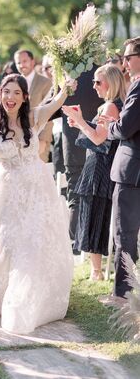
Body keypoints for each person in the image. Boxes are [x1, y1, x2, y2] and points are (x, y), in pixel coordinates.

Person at [0, 74, 75, 334]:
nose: (10, 98)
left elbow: (56, 102)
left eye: (16, 93)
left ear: (24, 97)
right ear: (0, 94)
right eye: (6, 92)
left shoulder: (33, 117)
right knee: (7, 243)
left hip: (37, 192)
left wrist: (68, 82)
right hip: (7, 191)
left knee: (33, 244)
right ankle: (0, 293)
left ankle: (27, 298)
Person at [62, 65, 126, 280]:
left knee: (94, 217)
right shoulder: (116, 105)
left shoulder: (109, 106)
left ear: (111, 82)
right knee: (97, 216)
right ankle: (97, 270)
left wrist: (80, 121)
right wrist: (82, 124)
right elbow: (102, 135)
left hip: (101, 168)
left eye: (98, 82)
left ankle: (96, 272)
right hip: (105, 166)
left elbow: (98, 139)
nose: (94, 86)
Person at [101, 37, 140, 302]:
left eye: (128, 56)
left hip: (132, 171)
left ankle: (123, 294)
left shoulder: (138, 89)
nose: (124, 62)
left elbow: (126, 128)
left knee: (124, 234)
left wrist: (110, 126)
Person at [14, 49, 52, 162]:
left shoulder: (45, 82)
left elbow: (49, 113)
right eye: (18, 62)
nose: (21, 65)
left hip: (38, 137)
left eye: (24, 61)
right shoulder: (13, 83)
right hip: (17, 139)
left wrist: (44, 140)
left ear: (32, 61)